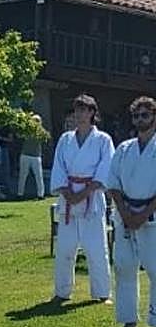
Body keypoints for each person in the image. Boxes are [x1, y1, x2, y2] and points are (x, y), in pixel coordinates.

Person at [50, 94, 114, 303]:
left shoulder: (103, 140)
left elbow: (106, 169)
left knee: (96, 249)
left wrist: (85, 193)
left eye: (84, 110)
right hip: (68, 197)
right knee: (65, 250)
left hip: (92, 198)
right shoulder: (65, 139)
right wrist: (68, 193)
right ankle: (62, 291)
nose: (80, 115)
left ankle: (102, 293)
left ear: (92, 113)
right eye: (77, 110)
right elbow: (58, 168)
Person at [105, 96, 156, 327]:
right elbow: (113, 183)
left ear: (154, 117)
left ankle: (155, 321)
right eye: (136, 116)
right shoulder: (124, 149)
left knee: (155, 269)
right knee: (124, 266)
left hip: (151, 216)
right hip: (124, 214)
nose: (140, 120)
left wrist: (144, 214)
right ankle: (128, 319)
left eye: (145, 115)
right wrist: (126, 214)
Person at [18, 114, 47, 199]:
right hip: (25, 155)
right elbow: (20, 136)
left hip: (36, 156)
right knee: (23, 176)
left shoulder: (41, 132)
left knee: (39, 176)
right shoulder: (27, 130)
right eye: (34, 121)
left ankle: (40, 195)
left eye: (37, 121)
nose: (36, 123)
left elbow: (44, 139)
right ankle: (20, 194)